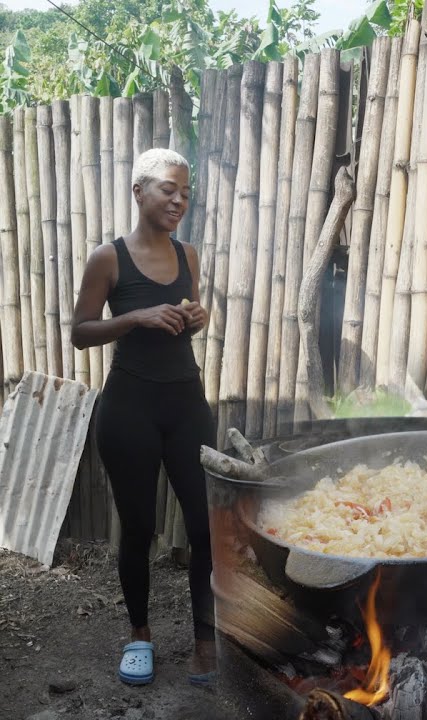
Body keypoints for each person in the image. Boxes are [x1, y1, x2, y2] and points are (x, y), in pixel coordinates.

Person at [71, 148, 216, 688]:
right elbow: (80, 331)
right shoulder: (108, 259)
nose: (179, 201)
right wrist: (136, 316)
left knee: (205, 525)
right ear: (139, 192)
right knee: (138, 528)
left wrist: (196, 317)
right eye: (168, 190)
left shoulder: (188, 254)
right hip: (129, 409)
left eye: (185, 193)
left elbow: (189, 319)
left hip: (187, 406)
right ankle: (139, 636)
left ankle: (205, 639)